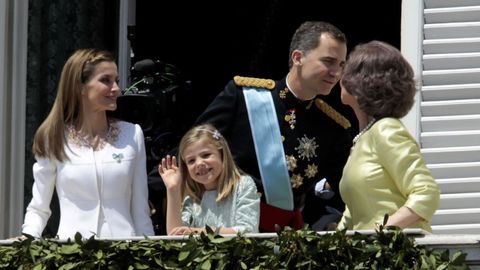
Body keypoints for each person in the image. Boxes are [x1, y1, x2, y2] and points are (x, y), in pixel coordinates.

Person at [194, 21, 352, 232]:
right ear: (298, 58)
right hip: (226, 229)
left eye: (341, 64)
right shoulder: (243, 97)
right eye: (329, 61)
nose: (336, 72)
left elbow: (337, 192)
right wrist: (151, 198)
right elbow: (191, 149)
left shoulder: (335, 127)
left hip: (283, 238)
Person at [17, 48, 154, 239]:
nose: (116, 88)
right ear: (80, 87)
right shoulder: (54, 136)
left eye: (116, 80)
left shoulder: (132, 134)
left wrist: (149, 250)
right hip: (72, 253)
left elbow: (140, 210)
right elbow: (39, 207)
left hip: (124, 253)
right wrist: (27, 239)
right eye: (105, 80)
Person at [337, 41, 440, 232]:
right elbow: (353, 212)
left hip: (396, 255)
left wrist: (380, 233)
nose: (339, 77)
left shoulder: (386, 130)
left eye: (346, 71)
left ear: (362, 81)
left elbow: (426, 192)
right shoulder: (363, 138)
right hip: (369, 256)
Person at [158, 124, 260, 235]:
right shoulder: (191, 198)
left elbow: (248, 230)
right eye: (191, 161)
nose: (199, 163)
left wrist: (199, 232)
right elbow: (175, 237)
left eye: (206, 155)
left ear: (221, 154)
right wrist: (172, 189)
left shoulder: (243, 185)